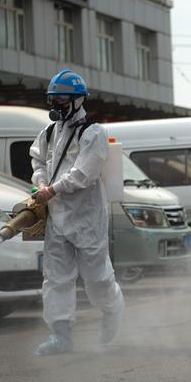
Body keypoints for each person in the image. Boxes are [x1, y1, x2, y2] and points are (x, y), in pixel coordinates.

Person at [29, 69, 124, 356]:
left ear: (78, 100)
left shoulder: (93, 133)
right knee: (56, 277)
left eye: (61, 99)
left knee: (96, 278)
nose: (56, 104)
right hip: (57, 218)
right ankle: (61, 335)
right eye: (53, 99)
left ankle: (113, 309)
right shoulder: (48, 133)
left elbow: (85, 173)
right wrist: (41, 182)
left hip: (87, 218)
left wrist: (52, 190)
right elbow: (38, 162)